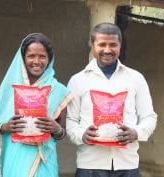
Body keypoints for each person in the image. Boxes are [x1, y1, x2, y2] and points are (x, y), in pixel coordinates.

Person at [66, 22, 157, 177]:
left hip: (127, 164)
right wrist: (82, 134)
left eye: (113, 45)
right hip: (90, 164)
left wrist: (136, 132)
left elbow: (149, 116)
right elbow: (70, 120)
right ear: (92, 46)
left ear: (120, 46)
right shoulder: (78, 80)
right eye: (101, 44)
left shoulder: (136, 78)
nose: (107, 50)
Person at [0, 33, 72, 177]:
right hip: (13, 158)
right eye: (31, 56)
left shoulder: (59, 91)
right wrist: (4, 127)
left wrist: (56, 129)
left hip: (43, 160)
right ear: (23, 58)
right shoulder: (11, 88)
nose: (36, 61)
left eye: (42, 56)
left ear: (49, 59)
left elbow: (62, 132)